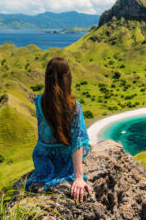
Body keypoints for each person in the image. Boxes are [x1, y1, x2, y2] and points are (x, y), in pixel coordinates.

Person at [26, 57, 91, 202]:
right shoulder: (74, 107)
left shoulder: (38, 101)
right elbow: (78, 142)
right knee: (84, 142)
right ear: (68, 78)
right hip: (64, 160)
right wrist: (78, 177)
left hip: (42, 159)